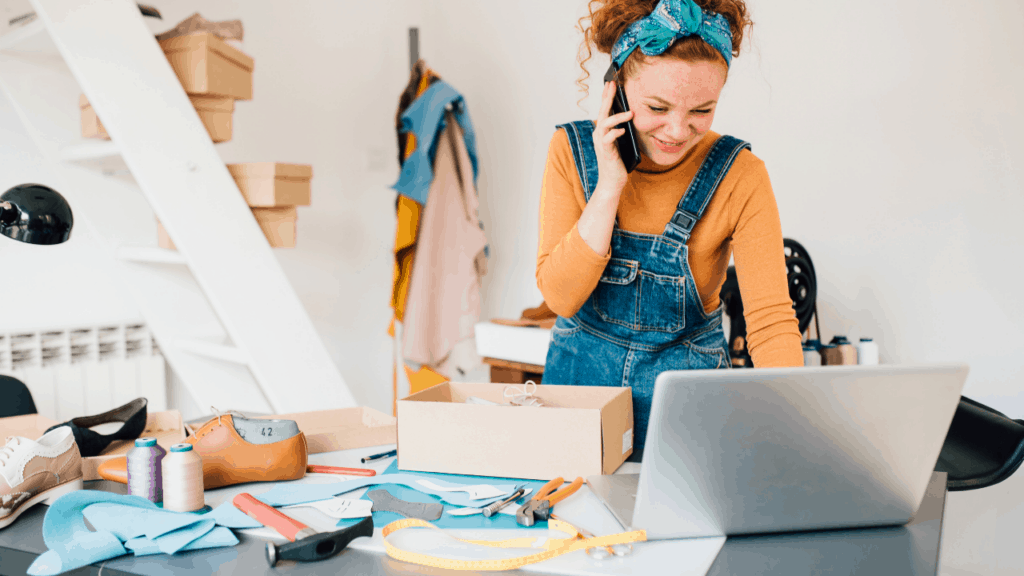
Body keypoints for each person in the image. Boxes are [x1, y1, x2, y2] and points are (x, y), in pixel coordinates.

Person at [537, 0, 803, 460]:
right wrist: (608, 189)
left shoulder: (742, 175)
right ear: (615, 89)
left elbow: (770, 322)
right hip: (576, 420)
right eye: (657, 107)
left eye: (703, 109)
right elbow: (560, 297)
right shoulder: (570, 153)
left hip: (688, 428)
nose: (678, 131)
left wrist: (801, 428)